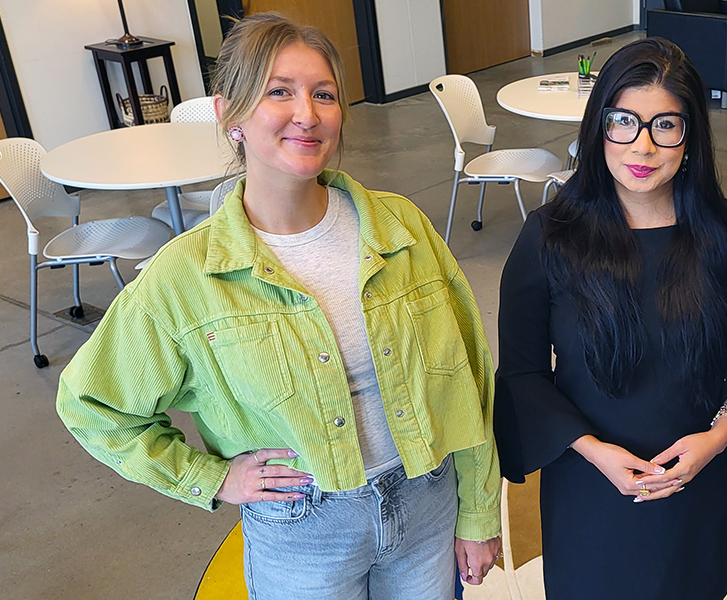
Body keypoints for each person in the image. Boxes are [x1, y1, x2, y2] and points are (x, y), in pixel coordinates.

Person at [56, 14, 500, 599]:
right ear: (229, 115)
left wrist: (479, 514)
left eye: (324, 95)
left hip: (427, 502)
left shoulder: (401, 227)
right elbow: (93, 404)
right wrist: (212, 479)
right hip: (302, 530)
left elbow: (468, 377)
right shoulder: (186, 277)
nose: (307, 114)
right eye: (279, 92)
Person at [493, 38, 727, 600]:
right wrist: (593, 450)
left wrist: (717, 438)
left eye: (666, 125)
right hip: (587, 487)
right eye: (624, 121)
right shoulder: (549, 236)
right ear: (598, 128)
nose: (642, 145)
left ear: (691, 138)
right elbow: (521, 375)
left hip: (698, 487)